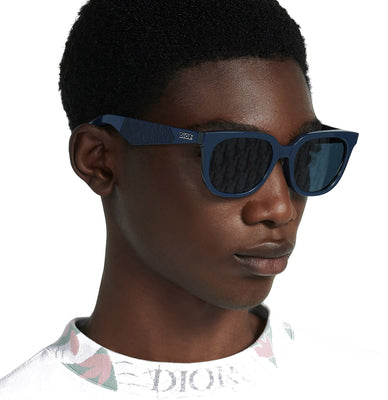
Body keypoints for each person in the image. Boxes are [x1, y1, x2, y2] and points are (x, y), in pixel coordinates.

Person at [0, 0, 360, 398]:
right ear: (99, 161)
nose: (281, 207)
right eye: (233, 158)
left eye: (309, 155)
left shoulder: (366, 384)